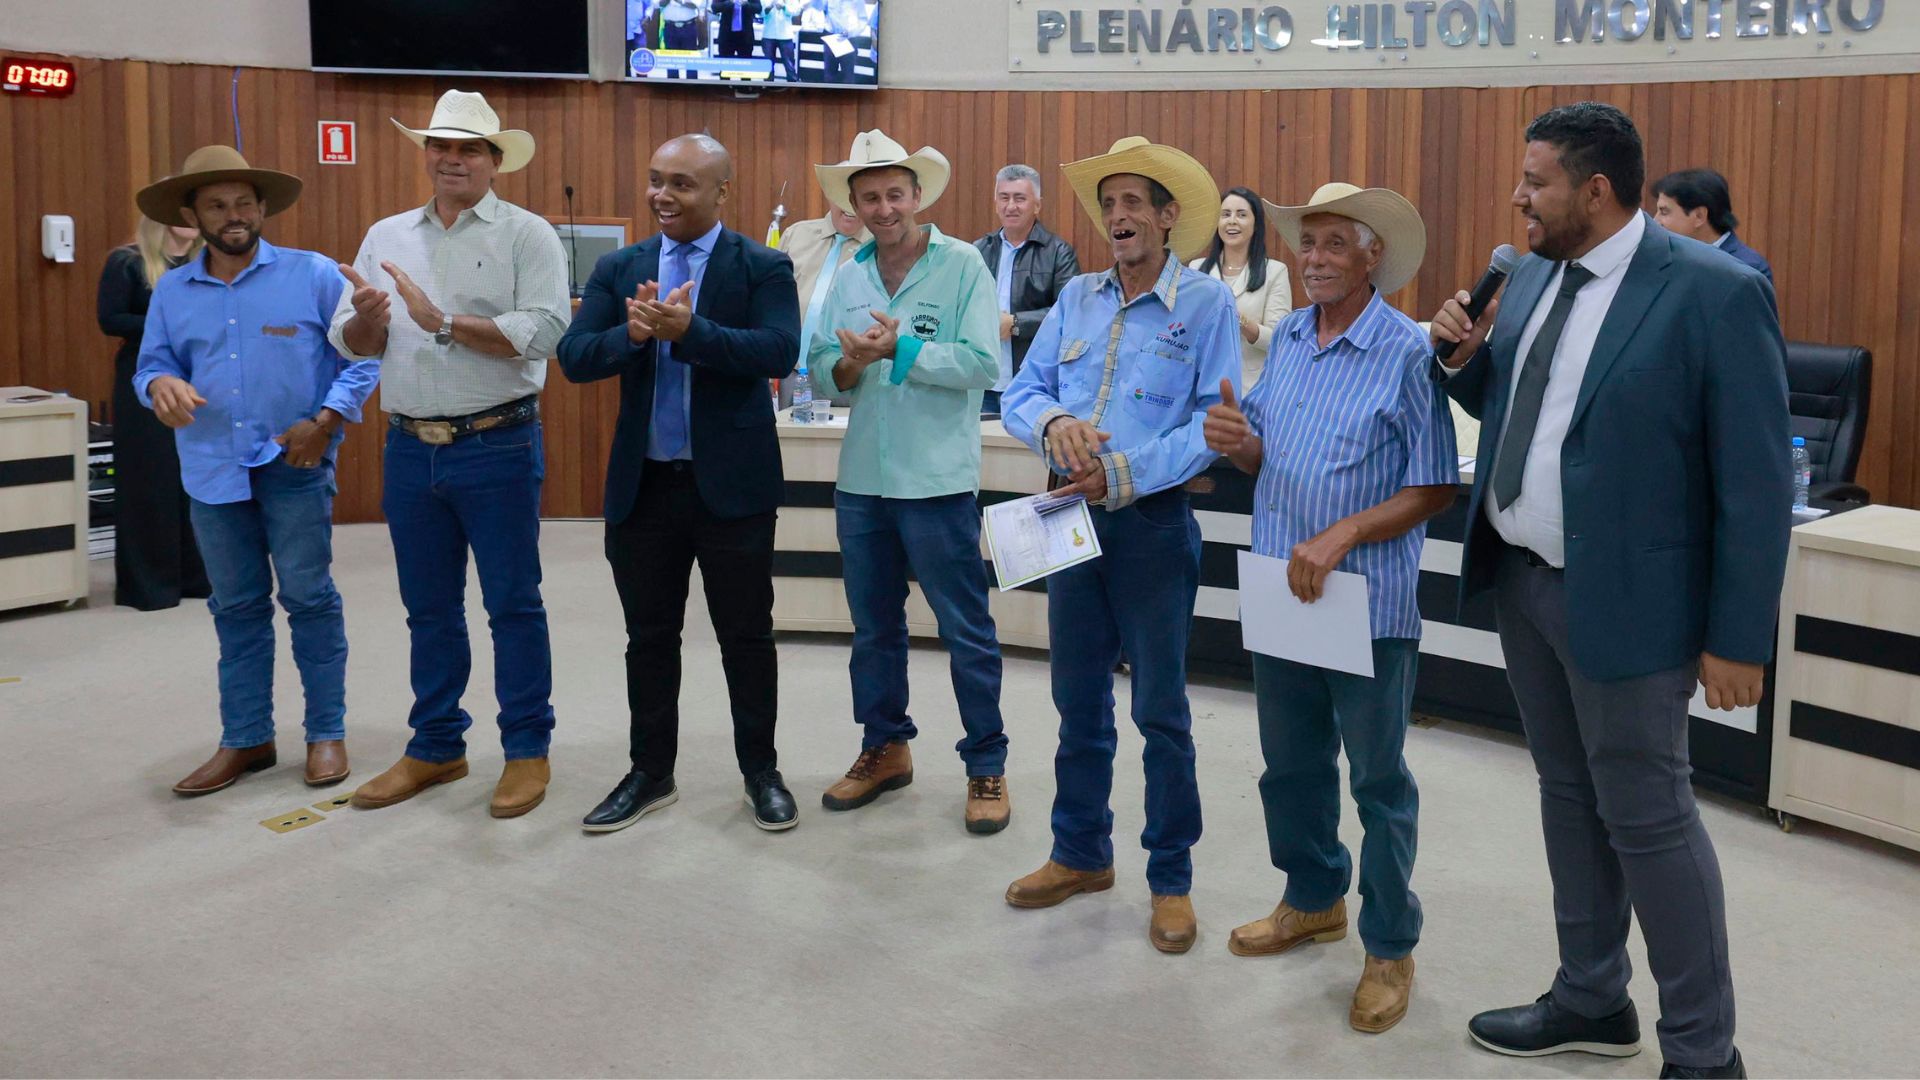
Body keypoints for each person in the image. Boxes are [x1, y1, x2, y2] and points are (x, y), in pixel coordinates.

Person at [1430, 102, 1788, 1080]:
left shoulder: (1714, 292)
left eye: (1535, 181)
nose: (1518, 197)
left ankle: (1704, 1056)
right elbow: (1523, 406)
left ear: (1595, 189)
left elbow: (1757, 484)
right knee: (1567, 796)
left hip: (1634, 603)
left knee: (1650, 819)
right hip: (1522, 584)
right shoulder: (1533, 274)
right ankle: (1592, 997)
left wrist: (1739, 638)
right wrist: (1463, 362)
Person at [1204, 182, 1455, 1034]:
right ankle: (1313, 898)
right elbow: (1267, 454)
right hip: (1283, 586)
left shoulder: (1408, 351)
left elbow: (1435, 485)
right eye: (1306, 244)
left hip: (1366, 601)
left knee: (1378, 781)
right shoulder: (1290, 338)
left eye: (1333, 244)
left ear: (1373, 256)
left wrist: (1344, 532)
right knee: (1291, 766)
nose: (1313, 259)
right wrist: (1241, 444)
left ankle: (1389, 946)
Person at [1001, 137, 1239, 952]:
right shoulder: (1076, 297)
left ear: (1169, 217)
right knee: (1077, 701)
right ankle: (1080, 853)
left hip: (1151, 526)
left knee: (1160, 712)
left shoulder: (1204, 306)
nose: (1118, 217)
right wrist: (1055, 424)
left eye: (1134, 202)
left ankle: (1171, 878)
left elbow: (1213, 424)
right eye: (1109, 205)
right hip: (1069, 520)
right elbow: (1023, 392)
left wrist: (1124, 474)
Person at [329, 90, 572, 820]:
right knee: (428, 611)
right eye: (440, 146)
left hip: (497, 444)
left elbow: (546, 331)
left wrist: (442, 322)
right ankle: (437, 746)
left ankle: (526, 749)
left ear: (496, 161)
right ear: (425, 155)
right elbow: (354, 343)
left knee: (512, 605)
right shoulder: (386, 235)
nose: (452, 159)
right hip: (410, 449)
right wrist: (368, 322)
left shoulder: (528, 235)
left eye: (469, 149)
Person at [558, 134, 801, 834]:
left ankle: (761, 771)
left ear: (722, 192)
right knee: (649, 638)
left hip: (734, 490)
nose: (662, 195)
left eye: (682, 184)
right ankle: (650, 772)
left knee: (746, 637)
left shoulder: (763, 265)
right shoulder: (619, 267)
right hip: (644, 490)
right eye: (656, 180)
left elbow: (778, 350)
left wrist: (691, 332)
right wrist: (632, 337)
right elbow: (574, 357)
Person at [132, 145, 377, 796]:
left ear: (263, 208)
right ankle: (247, 739)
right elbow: (152, 364)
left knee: (309, 600)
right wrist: (157, 385)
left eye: (244, 202)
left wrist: (326, 421)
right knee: (236, 608)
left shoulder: (314, 275)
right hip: (211, 470)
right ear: (193, 216)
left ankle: (326, 733)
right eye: (216, 205)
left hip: (294, 464)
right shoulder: (172, 291)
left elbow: (364, 358)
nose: (233, 215)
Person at [808, 130, 1011, 834]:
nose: (884, 208)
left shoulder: (962, 266)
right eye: (870, 198)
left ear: (918, 195)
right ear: (854, 205)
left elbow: (983, 364)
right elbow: (822, 371)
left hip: (937, 482)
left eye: (895, 194)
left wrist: (902, 349)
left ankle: (986, 763)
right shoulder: (848, 273)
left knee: (965, 629)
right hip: (863, 480)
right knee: (874, 629)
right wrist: (852, 364)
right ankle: (885, 747)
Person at [97, 213, 209, 610]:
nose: (189, 222)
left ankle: (196, 577)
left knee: (193, 478)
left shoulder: (206, 264)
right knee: (149, 478)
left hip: (197, 375)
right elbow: (110, 319)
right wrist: (167, 321)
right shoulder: (127, 261)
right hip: (143, 376)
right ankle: (149, 585)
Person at [974, 164, 1081, 415]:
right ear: (996, 203)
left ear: (1037, 205)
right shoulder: (978, 250)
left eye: (1020, 198)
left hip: (1032, 384)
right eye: (1004, 197)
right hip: (982, 383)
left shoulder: (1058, 253)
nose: (1011, 206)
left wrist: (1015, 323)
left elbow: (1071, 313)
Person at [777, 142, 871, 408]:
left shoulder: (881, 249)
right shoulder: (796, 235)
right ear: (830, 194)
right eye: (843, 194)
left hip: (851, 376)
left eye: (859, 195)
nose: (850, 203)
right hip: (792, 374)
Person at [1191, 186, 1293, 387]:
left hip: (1250, 387)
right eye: (1225, 214)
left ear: (1256, 224)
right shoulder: (1197, 269)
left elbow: (1279, 340)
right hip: (1201, 383)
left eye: (1241, 214)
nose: (1232, 221)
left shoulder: (1275, 271)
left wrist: (1239, 320)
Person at [1650, 168, 1773, 282]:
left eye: (1664, 212)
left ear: (1699, 216)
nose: (1655, 221)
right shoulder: (1666, 260)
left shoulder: (1748, 269)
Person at [822, 0, 873, 84]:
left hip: (849, 39)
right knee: (829, 76)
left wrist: (850, 32)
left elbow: (863, 19)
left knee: (848, 77)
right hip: (830, 37)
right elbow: (820, 8)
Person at [762, 0, 803, 81]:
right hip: (768, 34)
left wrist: (784, 7)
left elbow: (797, 11)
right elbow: (759, 13)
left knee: (790, 66)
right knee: (768, 67)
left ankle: (792, 86)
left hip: (785, 35)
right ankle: (768, 87)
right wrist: (769, 7)